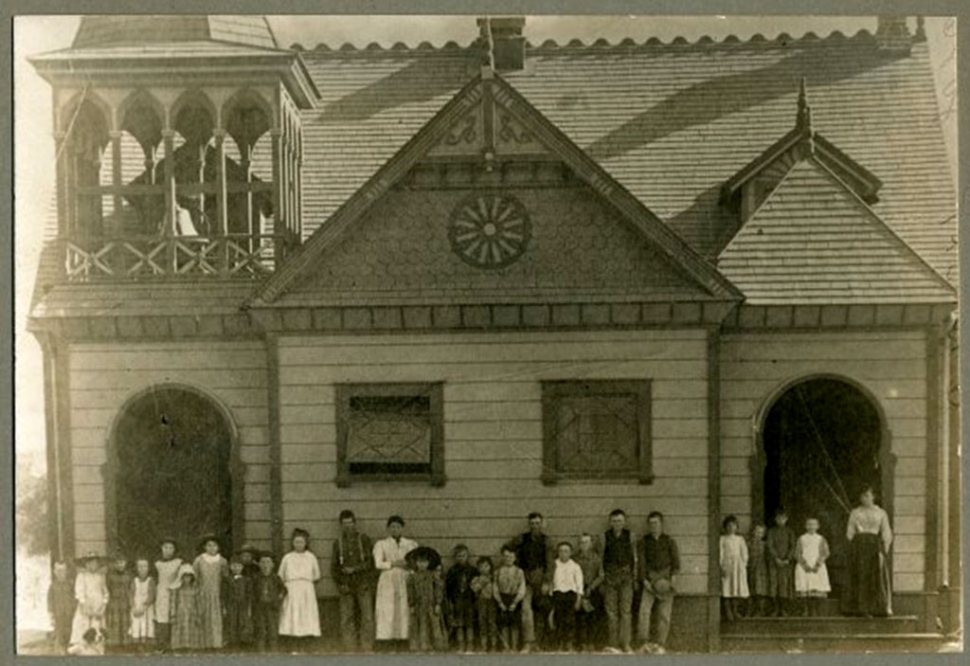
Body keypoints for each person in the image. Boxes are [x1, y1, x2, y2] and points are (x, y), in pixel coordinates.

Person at [330, 509, 376, 652]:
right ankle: (350, 649)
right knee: (347, 619)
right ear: (341, 525)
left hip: (363, 584)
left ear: (355, 523)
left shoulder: (364, 539)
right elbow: (334, 567)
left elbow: (370, 563)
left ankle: (367, 648)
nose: (348, 526)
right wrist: (340, 584)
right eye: (344, 524)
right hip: (346, 586)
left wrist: (355, 569)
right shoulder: (338, 543)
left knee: (367, 618)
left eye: (350, 523)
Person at [509, 512, 555, 652]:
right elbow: (508, 550)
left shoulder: (547, 540)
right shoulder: (522, 539)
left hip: (541, 578)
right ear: (529, 524)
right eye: (532, 523)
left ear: (542, 524)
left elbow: (550, 562)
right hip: (526, 579)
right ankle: (529, 642)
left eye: (537, 523)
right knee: (526, 609)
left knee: (541, 610)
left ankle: (539, 643)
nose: (535, 526)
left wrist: (547, 581)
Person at [845, 486, 893, 617]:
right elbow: (849, 533)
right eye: (862, 496)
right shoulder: (855, 512)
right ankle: (861, 608)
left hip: (874, 546)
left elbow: (886, 532)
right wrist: (858, 538)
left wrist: (884, 549)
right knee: (862, 575)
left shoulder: (881, 513)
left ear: (873, 496)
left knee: (875, 575)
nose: (864, 498)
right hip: (860, 547)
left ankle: (878, 608)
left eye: (867, 495)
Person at [637, 512, 680, 654]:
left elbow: (676, 563)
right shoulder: (644, 541)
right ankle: (644, 643)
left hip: (666, 580)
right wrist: (644, 580)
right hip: (649, 580)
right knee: (644, 611)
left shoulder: (669, 541)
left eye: (655, 523)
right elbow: (641, 563)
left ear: (661, 524)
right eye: (650, 524)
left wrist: (673, 579)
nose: (653, 526)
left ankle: (660, 644)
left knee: (664, 614)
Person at [374, 515, 418, 651]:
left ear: (402, 528)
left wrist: (408, 566)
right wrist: (394, 563)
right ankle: (386, 640)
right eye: (392, 526)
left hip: (404, 578)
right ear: (388, 528)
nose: (395, 529)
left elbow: (415, 562)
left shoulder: (411, 544)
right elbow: (378, 563)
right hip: (388, 579)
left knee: (404, 607)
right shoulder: (381, 544)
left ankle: (403, 639)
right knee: (387, 608)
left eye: (398, 526)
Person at [278, 528, 322, 646]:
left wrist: (305, 581)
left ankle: (306, 635)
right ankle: (292, 635)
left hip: (306, 589)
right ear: (292, 543)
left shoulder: (311, 557)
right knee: (292, 611)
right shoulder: (287, 557)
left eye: (301, 542)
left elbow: (317, 575)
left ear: (306, 543)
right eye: (296, 542)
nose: (299, 544)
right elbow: (280, 575)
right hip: (291, 588)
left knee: (306, 611)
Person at [601, 509, 637, 653]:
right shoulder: (604, 537)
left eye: (620, 521)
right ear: (610, 522)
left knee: (626, 611)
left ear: (624, 522)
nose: (617, 523)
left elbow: (635, 558)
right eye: (614, 521)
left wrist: (634, 577)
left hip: (626, 576)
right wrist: (603, 577)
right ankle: (613, 643)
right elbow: (601, 559)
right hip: (610, 577)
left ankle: (626, 643)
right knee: (611, 612)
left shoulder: (631, 536)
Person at [193, 536, 229, 649]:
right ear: (204, 547)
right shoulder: (199, 560)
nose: (211, 548)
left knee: (216, 619)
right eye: (209, 545)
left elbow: (226, 578)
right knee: (203, 617)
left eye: (214, 545)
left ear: (218, 547)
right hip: (203, 592)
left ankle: (216, 643)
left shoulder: (222, 561)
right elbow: (195, 577)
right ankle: (204, 644)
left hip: (217, 593)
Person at [407, 550, 446, 652]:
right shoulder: (412, 577)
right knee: (421, 624)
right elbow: (410, 591)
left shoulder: (432, 575)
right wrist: (411, 604)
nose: (422, 564)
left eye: (424, 562)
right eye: (419, 562)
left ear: (428, 563)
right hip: (419, 605)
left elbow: (438, 589)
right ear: (416, 563)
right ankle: (422, 645)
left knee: (433, 624)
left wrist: (438, 603)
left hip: (431, 605)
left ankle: (436, 646)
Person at [549, 542, 583, 652]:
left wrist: (578, 599)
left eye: (566, 551)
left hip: (570, 595)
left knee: (570, 619)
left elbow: (579, 584)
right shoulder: (554, 565)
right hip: (557, 594)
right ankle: (560, 643)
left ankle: (569, 643)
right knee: (559, 619)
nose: (563, 553)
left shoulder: (575, 566)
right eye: (561, 551)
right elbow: (550, 581)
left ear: (571, 553)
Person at [70, 552, 109, 647]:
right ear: (85, 564)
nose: (92, 565)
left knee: (97, 629)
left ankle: (97, 650)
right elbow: (79, 592)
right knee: (84, 628)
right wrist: (84, 605)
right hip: (85, 608)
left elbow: (105, 592)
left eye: (94, 563)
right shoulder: (82, 576)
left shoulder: (100, 576)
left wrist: (103, 606)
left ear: (97, 564)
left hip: (98, 608)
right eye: (89, 563)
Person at [573, 533, 604, 652]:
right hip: (578, 590)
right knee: (580, 617)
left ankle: (592, 642)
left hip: (592, 589)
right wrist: (579, 590)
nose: (584, 545)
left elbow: (601, 575)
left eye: (586, 542)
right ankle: (582, 642)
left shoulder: (596, 558)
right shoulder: (575, 559)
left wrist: (591, 587)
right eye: (581, 542)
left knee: (593, 616)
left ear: (591, 544)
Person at [795, 517, 831, 617]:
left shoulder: (821, 538)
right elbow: (797, 553)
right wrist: (804, 565)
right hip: (804, 566)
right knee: (805, 586)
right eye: (809, 524)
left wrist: (818, 564)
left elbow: (825, 552)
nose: (811, 527)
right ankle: (805, 610)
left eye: (813, 524)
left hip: (817, 567)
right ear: (805, 526)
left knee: (816, 586)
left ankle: (816, 611)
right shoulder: (801, 538)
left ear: (818, 526)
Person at [444, 544, 477, 652]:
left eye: (463, 555)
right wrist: (450, 601)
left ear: (467, 556)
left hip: (469, 601)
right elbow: (448, 588)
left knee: (469, 624)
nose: (461, 558)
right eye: (458, 556)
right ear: (455, 558)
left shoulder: (473, 570)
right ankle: (461, 644)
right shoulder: (452, 571)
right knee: (459, 624)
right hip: (456, 600)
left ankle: (470, 644)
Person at [494, 545, 526, 652]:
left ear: (515, 558)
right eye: (506, 557)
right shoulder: (498, 572)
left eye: (511, 557)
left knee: (515, 625)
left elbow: (522, 588)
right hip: (502, 599)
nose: (508, 559)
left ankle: (514, 646)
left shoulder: (519, 572)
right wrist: (499, 602)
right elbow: (495, 588)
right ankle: (505, 646)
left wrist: (516, 602)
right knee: (504, 624)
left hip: (514, 599)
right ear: (502, 557)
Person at [252, 552, 286, 652]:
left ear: (272, 565)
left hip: (272, 607)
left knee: (272, 628)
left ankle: (273, 651)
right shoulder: (255, 578)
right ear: (259, 564)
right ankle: (261, 650)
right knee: (260, 628)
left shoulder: (276, 578)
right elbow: (251, 591)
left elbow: (283, 590)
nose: (265, 565)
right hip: (259, 607)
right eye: (262, 562)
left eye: (268, 562)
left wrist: (278, 598)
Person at [153, 539, 182, 651]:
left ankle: (174, 644)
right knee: (162, 618)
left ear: (174, 550)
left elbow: (182, 577)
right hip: (161, 592)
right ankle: (162, 644)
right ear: (161, 548)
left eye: (171, 548)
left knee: (174, 616)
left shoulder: (179, 562)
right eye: (166, 547)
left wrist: (175, 586)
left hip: (175, 592)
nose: (168, 550)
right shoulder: (157, 564)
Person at [720, 515, 749, 622]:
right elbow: (721, 553)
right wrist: (722, 566)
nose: (731, 528)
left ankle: (735, 610)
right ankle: (728, 612)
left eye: (734, 525)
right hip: (727, 565)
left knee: (736, 588)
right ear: (725, 527)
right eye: (729, 525)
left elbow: (744, 552)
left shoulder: (740, 539)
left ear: (737, 527)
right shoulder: (722, 539)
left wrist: (743, 564)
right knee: (727, 588)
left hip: (738, 566)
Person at [767, 509, 796, 617]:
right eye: (778, 518)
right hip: (774, 562)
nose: (781, 520)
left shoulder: (790, 531)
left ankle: (783, 609)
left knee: (784, 585)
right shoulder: (771, 531)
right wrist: (776, 558)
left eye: (783, 518)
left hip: (786, 563)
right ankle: (775, 608)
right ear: (775, 519)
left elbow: (793, 546)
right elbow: (770, 545)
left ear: (786, 519)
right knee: (774, 584)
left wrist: (788, 558)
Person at [170, 563, 204, 651]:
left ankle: (191, 646)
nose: (187, 579)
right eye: (185, 576)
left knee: (192, 629)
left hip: (192, 612)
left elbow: (198, 602)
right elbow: (173, 602)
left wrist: (199, 614)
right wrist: (173, 614)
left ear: (192, 577)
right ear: (181, 577)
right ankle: (179, 646)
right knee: (180, 629)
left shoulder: (195, 589)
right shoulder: (177, 589)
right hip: (180, 612)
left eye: (189, 576)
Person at [225, 555, 254, 649]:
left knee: (243, 621)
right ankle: (233, 641)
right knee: (232, 621)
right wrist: (224, 607)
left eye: (238, 565)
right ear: (230, 567)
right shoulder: (227, 580)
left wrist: (249, 606)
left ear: (242, 567)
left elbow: (249, 594)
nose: (236, 568)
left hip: (243, 604)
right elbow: (224, 593)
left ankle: (243, 641)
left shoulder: (247, 580)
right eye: (234, 565)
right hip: (231, 604)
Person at [470, 556, 497, 652]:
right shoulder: (476, 579)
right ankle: (484, 645)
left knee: (492, 623)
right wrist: (482, 583)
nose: (484, 568)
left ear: (490, 566)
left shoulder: (494, 577)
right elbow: (474, 589)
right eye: (481, 566)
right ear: (478, 568)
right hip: (481, 602)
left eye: (486, 566)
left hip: (492, 602)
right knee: (482, 623)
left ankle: (493, 645)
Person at [104, 554, 132, 648]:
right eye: (118, 562)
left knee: (125, 622)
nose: (120, 565)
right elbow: (107, 587)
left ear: (125, 563)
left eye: (122, 562)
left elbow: (130, 588)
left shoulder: (128, 575)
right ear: (115, 564)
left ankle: (125, 644)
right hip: (114, 601)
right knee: (114, 622)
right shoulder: (110, 575)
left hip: (125, 600)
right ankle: (114, 644)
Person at [48, 561, 76, 653]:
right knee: (59, 632)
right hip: (58, 613)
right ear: (55, 572)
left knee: (69, 631)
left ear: (66, 572)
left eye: (63, 571)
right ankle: (60, 651)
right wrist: (51, 614)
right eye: (58, 571)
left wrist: (74, 608)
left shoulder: (70, 584)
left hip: (69, 612)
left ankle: (68, 649)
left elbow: (74, 597)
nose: (61, 574)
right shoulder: (53, 586)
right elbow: (50, 601)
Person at [128, 558, 156, 647]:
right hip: (136, 606)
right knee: (136, 625)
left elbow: (152, 595)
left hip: (147, 607)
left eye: (145, 566)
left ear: (148, 568)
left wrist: (143, 608)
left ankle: (146, 645)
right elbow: (131, 594)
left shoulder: (151, 580)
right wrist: (133, 607)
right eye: (140, 566)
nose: (142, 569)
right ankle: (136, 645)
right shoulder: (134, 580)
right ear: (136, 568)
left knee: (146, 625)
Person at [747, 524, 770, 617]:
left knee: (760, 589)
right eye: (757, 532)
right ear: (753, 532)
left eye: (761, 532)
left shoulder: (765, 544)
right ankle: (749, 610)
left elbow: (768, 556)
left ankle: (760, 610)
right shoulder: (749, 543)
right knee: (751, 588)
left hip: (761, 568)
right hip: (751, 567)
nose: (758, 534)